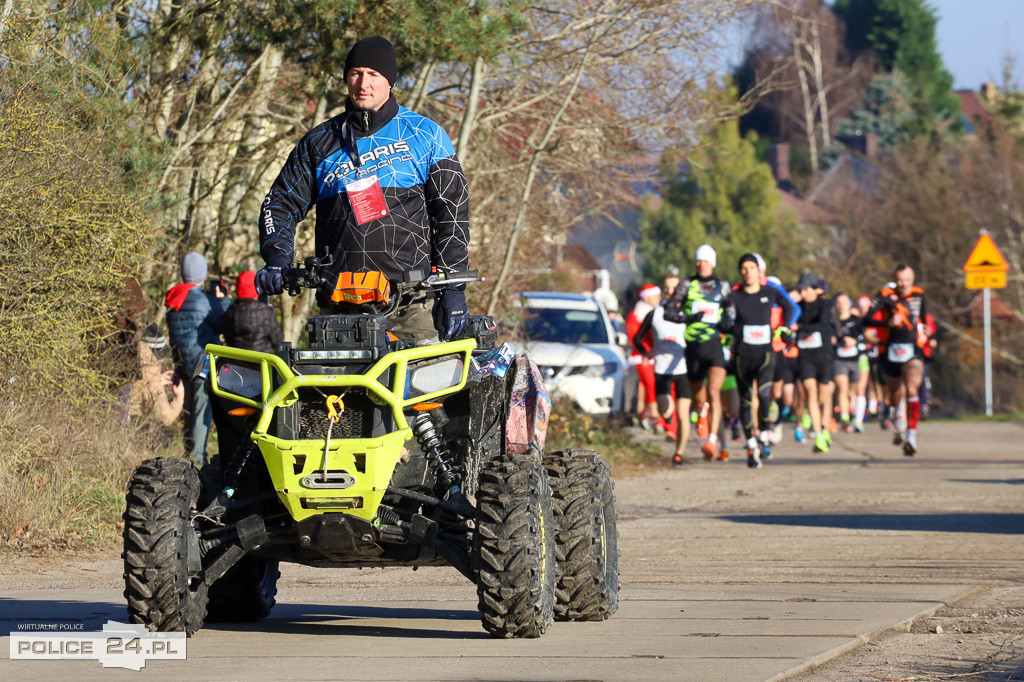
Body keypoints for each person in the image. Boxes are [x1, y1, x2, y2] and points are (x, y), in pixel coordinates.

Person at [255, 35, 470, 344]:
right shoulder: (318, 142)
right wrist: (277, 259)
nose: (363, 83)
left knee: (428, 393)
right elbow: (279, 203)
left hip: (409, 310)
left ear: (390, 81)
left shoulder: (427, 135)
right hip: (337, 311)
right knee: (325, 395)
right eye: (355, 73)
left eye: (374, 74)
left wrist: (453, 288)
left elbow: (452, 214)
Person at [663, 244, 733, 461]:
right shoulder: (687, 285)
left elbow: (731, 315)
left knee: (714, 392)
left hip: (714, 347)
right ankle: (702, 414)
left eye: (705, 261)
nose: (701, 264)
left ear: (713, 263)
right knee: (700, 400)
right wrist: (689, 319)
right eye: (698, 260)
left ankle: (712, 440)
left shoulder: (722, 286)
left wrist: (724, 324)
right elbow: (669, 312)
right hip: (693, 348)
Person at [727, 254, 794, 468]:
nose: (748, 272)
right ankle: (750, 445)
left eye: (751, 268)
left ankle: (764, 435)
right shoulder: (734, 296)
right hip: (742, 356)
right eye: (744, 268)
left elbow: (792, 308)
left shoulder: (770, 292)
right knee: (746, 403)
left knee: (765, 396)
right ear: (741, 272)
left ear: (759, 271)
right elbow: (724, 320)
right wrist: (728, 328)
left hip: (765, 355)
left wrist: (785, 328)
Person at [166, 251, 231, 467]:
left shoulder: (174, 298)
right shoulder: (204, 301)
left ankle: (187, 455)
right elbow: (224, 324)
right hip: (202, 362)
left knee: (188, 408)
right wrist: (224, 300)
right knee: (202, 408)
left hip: (181, 361)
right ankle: (196, 461)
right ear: (202, 273)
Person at [864, 264, 930, 455]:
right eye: (900, 280)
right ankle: (897, 416)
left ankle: (911, 436)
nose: (903, 284)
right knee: (895, 392)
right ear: (895, 279)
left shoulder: (919, 295)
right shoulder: (885, 295)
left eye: (907, 280)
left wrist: (925, 328)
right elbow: (866, 320)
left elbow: (923, 317)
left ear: (913, 279)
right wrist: (887, 323)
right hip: (890, 349)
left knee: (911, 388)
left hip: (913, 349)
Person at [632, 297, 692, 467]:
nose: (671, 293)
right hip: (662, 371)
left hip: (683, 371)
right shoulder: (655, 314)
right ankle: (667, 417)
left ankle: (679, 453)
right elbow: (637, 337)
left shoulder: (687, 315)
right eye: (667, 288)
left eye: (674, 289)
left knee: (683, 415)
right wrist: (646, 352)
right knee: (665, 413)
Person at [793, 272, 837, 454]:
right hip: (806, 357)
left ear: (815, 289)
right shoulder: (797, 307)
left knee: (824, 395)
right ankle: (818, 435)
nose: (803, 293)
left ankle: (825, 428)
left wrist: (802, 327)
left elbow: (823, 325)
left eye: (806, 289)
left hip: (824, 356)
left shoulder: (825, 304)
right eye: (801, 290)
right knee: (810, 392)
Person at [626, 284, 663, 432]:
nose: (659, 298)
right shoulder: (636, 315)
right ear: (646, 297)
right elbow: (634, 337)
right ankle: (655, 418)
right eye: (655, 296)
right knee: (650, 385)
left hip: (655, 355)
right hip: (642, 357)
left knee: (649, 387)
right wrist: (646, 352)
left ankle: (644, 414)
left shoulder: (657, 312)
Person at [221, 270, 286, 352]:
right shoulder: (266, 312)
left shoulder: (230, 312)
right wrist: (270, 311)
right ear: (257, 289)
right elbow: (277, 340)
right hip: (263, 362)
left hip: (236, 361)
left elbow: (227, 339)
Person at [833, 292, 866, 432]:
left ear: (849, 304)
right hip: (839, 359)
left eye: (844, 302)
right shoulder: (832, 321)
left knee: (852, 391)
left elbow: (865, 338)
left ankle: (851, 411)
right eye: (838, 303)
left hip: (855, 359)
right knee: (842, 388)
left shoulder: (857, 320)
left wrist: (855, 341)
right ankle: (845, 417)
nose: (841, 306)